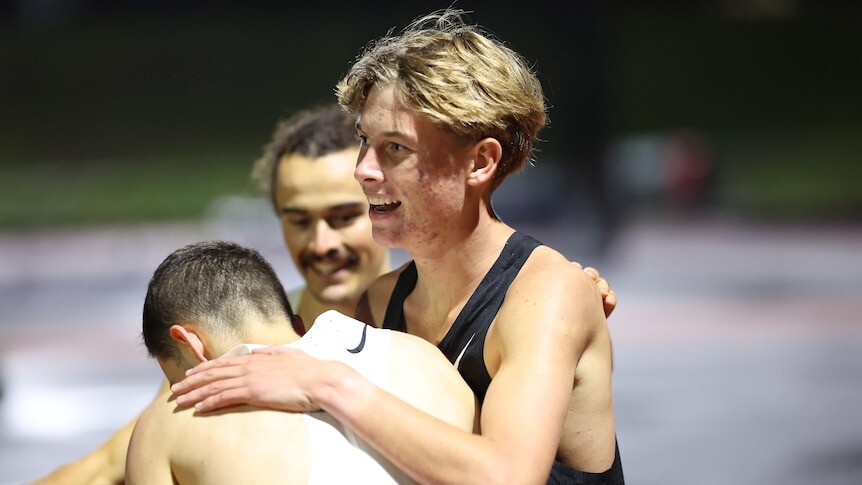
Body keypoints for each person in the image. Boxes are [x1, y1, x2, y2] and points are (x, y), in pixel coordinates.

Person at [32, 101, 615, 483]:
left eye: (343, 215)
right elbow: (107, 464)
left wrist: (560, 303)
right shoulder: (260, 330)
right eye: (298, 220)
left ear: (380, 200)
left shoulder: (531, 298)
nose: (322, 244)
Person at [172, 9, 624, 485]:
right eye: (364, 141)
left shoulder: (547, 294)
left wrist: (329, 383)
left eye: (395, 148)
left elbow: (507, 476)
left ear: (480, 162)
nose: (363, 169)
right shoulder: (381, 302)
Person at [126, 240, 476, 484]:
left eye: (179, 380)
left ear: (192, 345)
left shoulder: (169, 422)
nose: (182, 392)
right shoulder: (426, 361)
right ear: (298, 325)